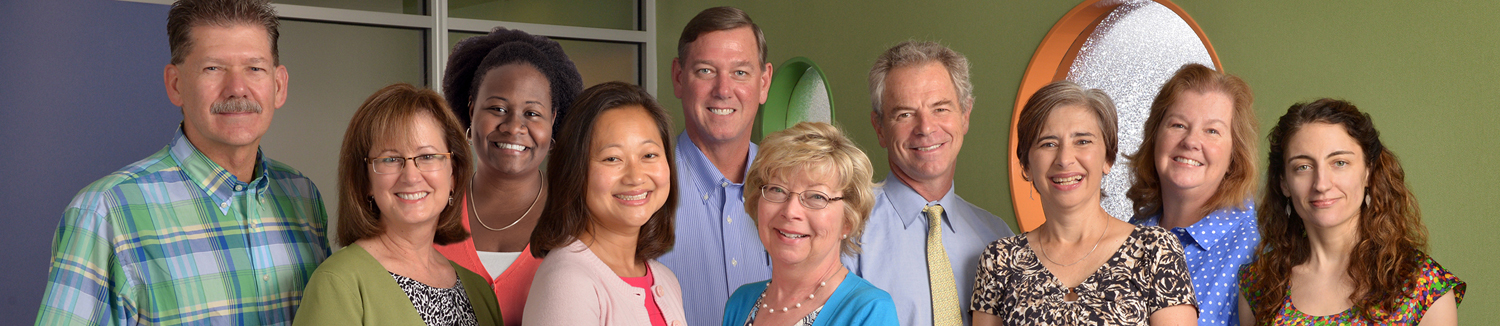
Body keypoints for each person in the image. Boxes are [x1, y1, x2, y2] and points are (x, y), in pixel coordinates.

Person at [36, 0, 330, 324]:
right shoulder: (105, 213)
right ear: (175, 85)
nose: (237, 89)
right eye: (213, 68)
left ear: (278, 86)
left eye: (254, 68)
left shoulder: (303, 199)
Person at [972, 81, 1197, 325]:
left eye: (1082, 141)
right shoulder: (999, 261)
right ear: (1026, 166)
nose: (1065, 159)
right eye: (1048, 143)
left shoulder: (1156, 250)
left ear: (1108, 159)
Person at [1237, 99, 1464, 325]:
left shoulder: (1422, 285)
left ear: (1368, 173)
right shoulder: (1259, 284)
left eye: (1340, 163)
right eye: (1303, 167)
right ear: (1284, 182)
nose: (1322, 184)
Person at [293, 84, 502, 325]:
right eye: (391, 159)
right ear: (366, 181)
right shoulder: (337, 284)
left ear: (453, 175)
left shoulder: (479, 290)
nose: (411, 176)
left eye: (427, 156)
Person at [843, 40, 1014, 326]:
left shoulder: (997, 237)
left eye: (940, 109)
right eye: (905, 114)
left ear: (965, 115)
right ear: (879, 128)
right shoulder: (846, 231)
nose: (925, 128)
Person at [435, 26, 584, 326]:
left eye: (532, 113)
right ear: (472, 109)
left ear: (553, 120)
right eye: (498, 108)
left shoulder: (580, 218)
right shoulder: (431, 211)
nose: (514, 126)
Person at [524, 82, 687, 326]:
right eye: (612, 158)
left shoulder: (665, 280)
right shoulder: (567, 281)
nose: (636, 177)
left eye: (649, 155)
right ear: (575, 170)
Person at [656, 6, 775, 326]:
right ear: (679, 78)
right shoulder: (643, 188)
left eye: (740, 72)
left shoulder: (793, 189)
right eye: (706, 71)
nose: (723, 90)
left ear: (764, 82)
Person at [723, 122, 899, 326]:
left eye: (816, 196)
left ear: (848, 221)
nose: (790, 211)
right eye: (777, 190)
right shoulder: (740, 303)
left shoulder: (870, 311)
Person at [1125, 63, 1259, 326]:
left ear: (1235, 154)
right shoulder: (1130, 233)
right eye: (1178, 125)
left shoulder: (1260, 247)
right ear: (1154, 137)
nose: (1190, 141)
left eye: (1212, 131)